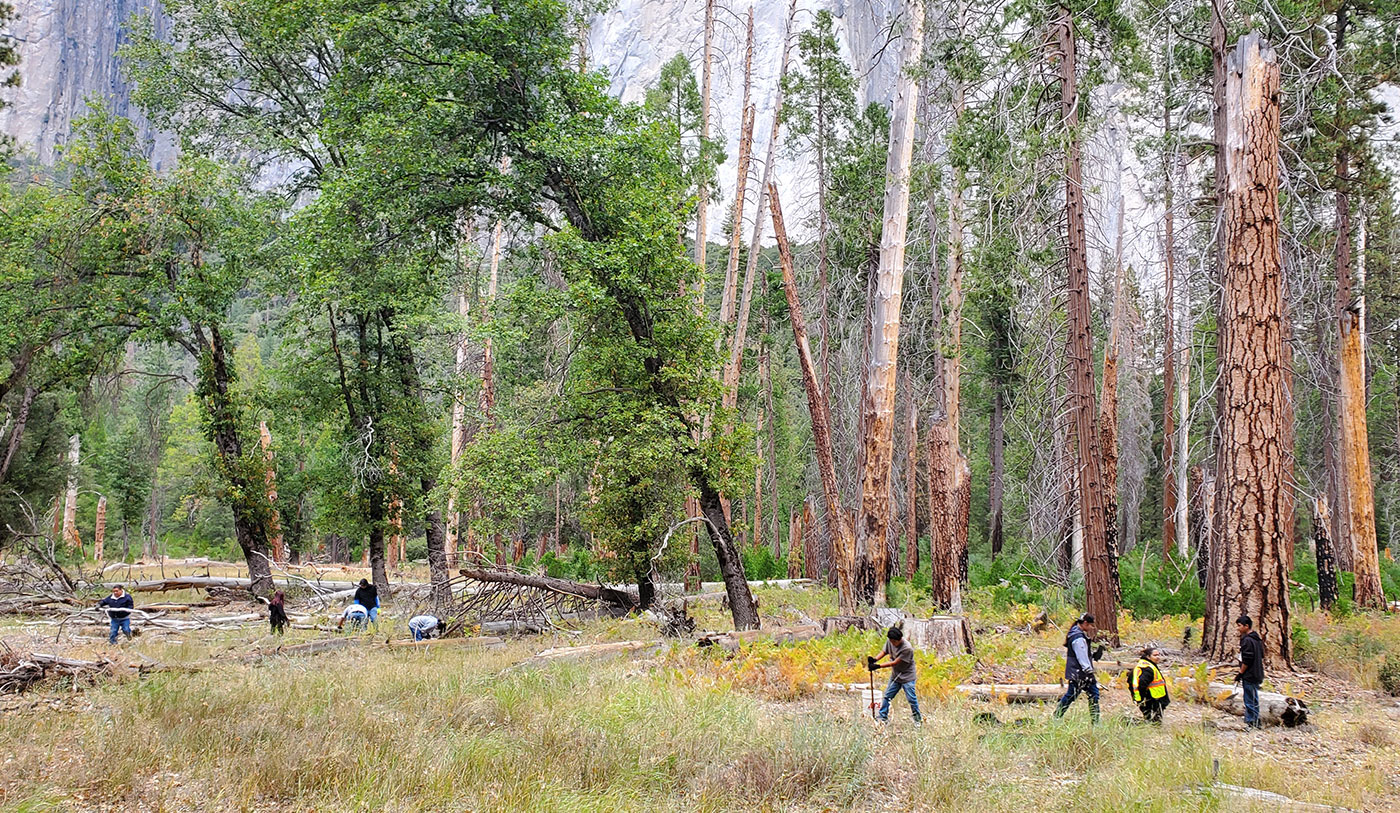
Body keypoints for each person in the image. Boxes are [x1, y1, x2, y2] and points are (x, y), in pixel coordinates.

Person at [1054, 613, 1105, 723]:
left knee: (1080, 695)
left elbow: (1084, 654)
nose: (1092, 628)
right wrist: (1088, 670)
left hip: (1077, 671)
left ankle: (1057, 716)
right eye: (1091, 625)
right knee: (1084, 695)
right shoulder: (1078, 638)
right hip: (1080, 673)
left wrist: (1095, 655)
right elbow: (1081, 655)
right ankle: (1095, 722)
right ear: (1085, 623)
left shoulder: (1075, 634)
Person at [867, 626, 922, 725]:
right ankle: (883, 717)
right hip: (895, 675)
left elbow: (895, 662)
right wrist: (875, 660)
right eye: (892, 641)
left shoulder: (907, 648)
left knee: (911, 699)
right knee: (887, 696)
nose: (893, 643)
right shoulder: (890, 641)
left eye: (895, 641)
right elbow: (884, 651)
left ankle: (917, 720)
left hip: (907, 676)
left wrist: (878, 666)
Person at [1235, 615, 1264, 729]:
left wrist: (1241, 673)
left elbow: (1247, 659)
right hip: (1257, 672)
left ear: (1246, 626)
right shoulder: (1257, 639)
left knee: (1250, 699)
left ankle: (1253, 722)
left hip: (1250, 674)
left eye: (1239, 626)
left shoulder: (1247, 640)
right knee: (1253, 697)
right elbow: (1261, 654)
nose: (1238, 628)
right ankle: (1254, 720)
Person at [1131, 646, 1170, 723]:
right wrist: (1144, 699)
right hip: (1152, 699)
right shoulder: (1146, 668)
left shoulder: (1148, 665)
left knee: (1151, 721)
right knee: (1154, 722)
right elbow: (1142, 684)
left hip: (1154, 697)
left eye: (1159, 655)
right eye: (1155, 655)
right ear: (1148, 657)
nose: (1158, 657)